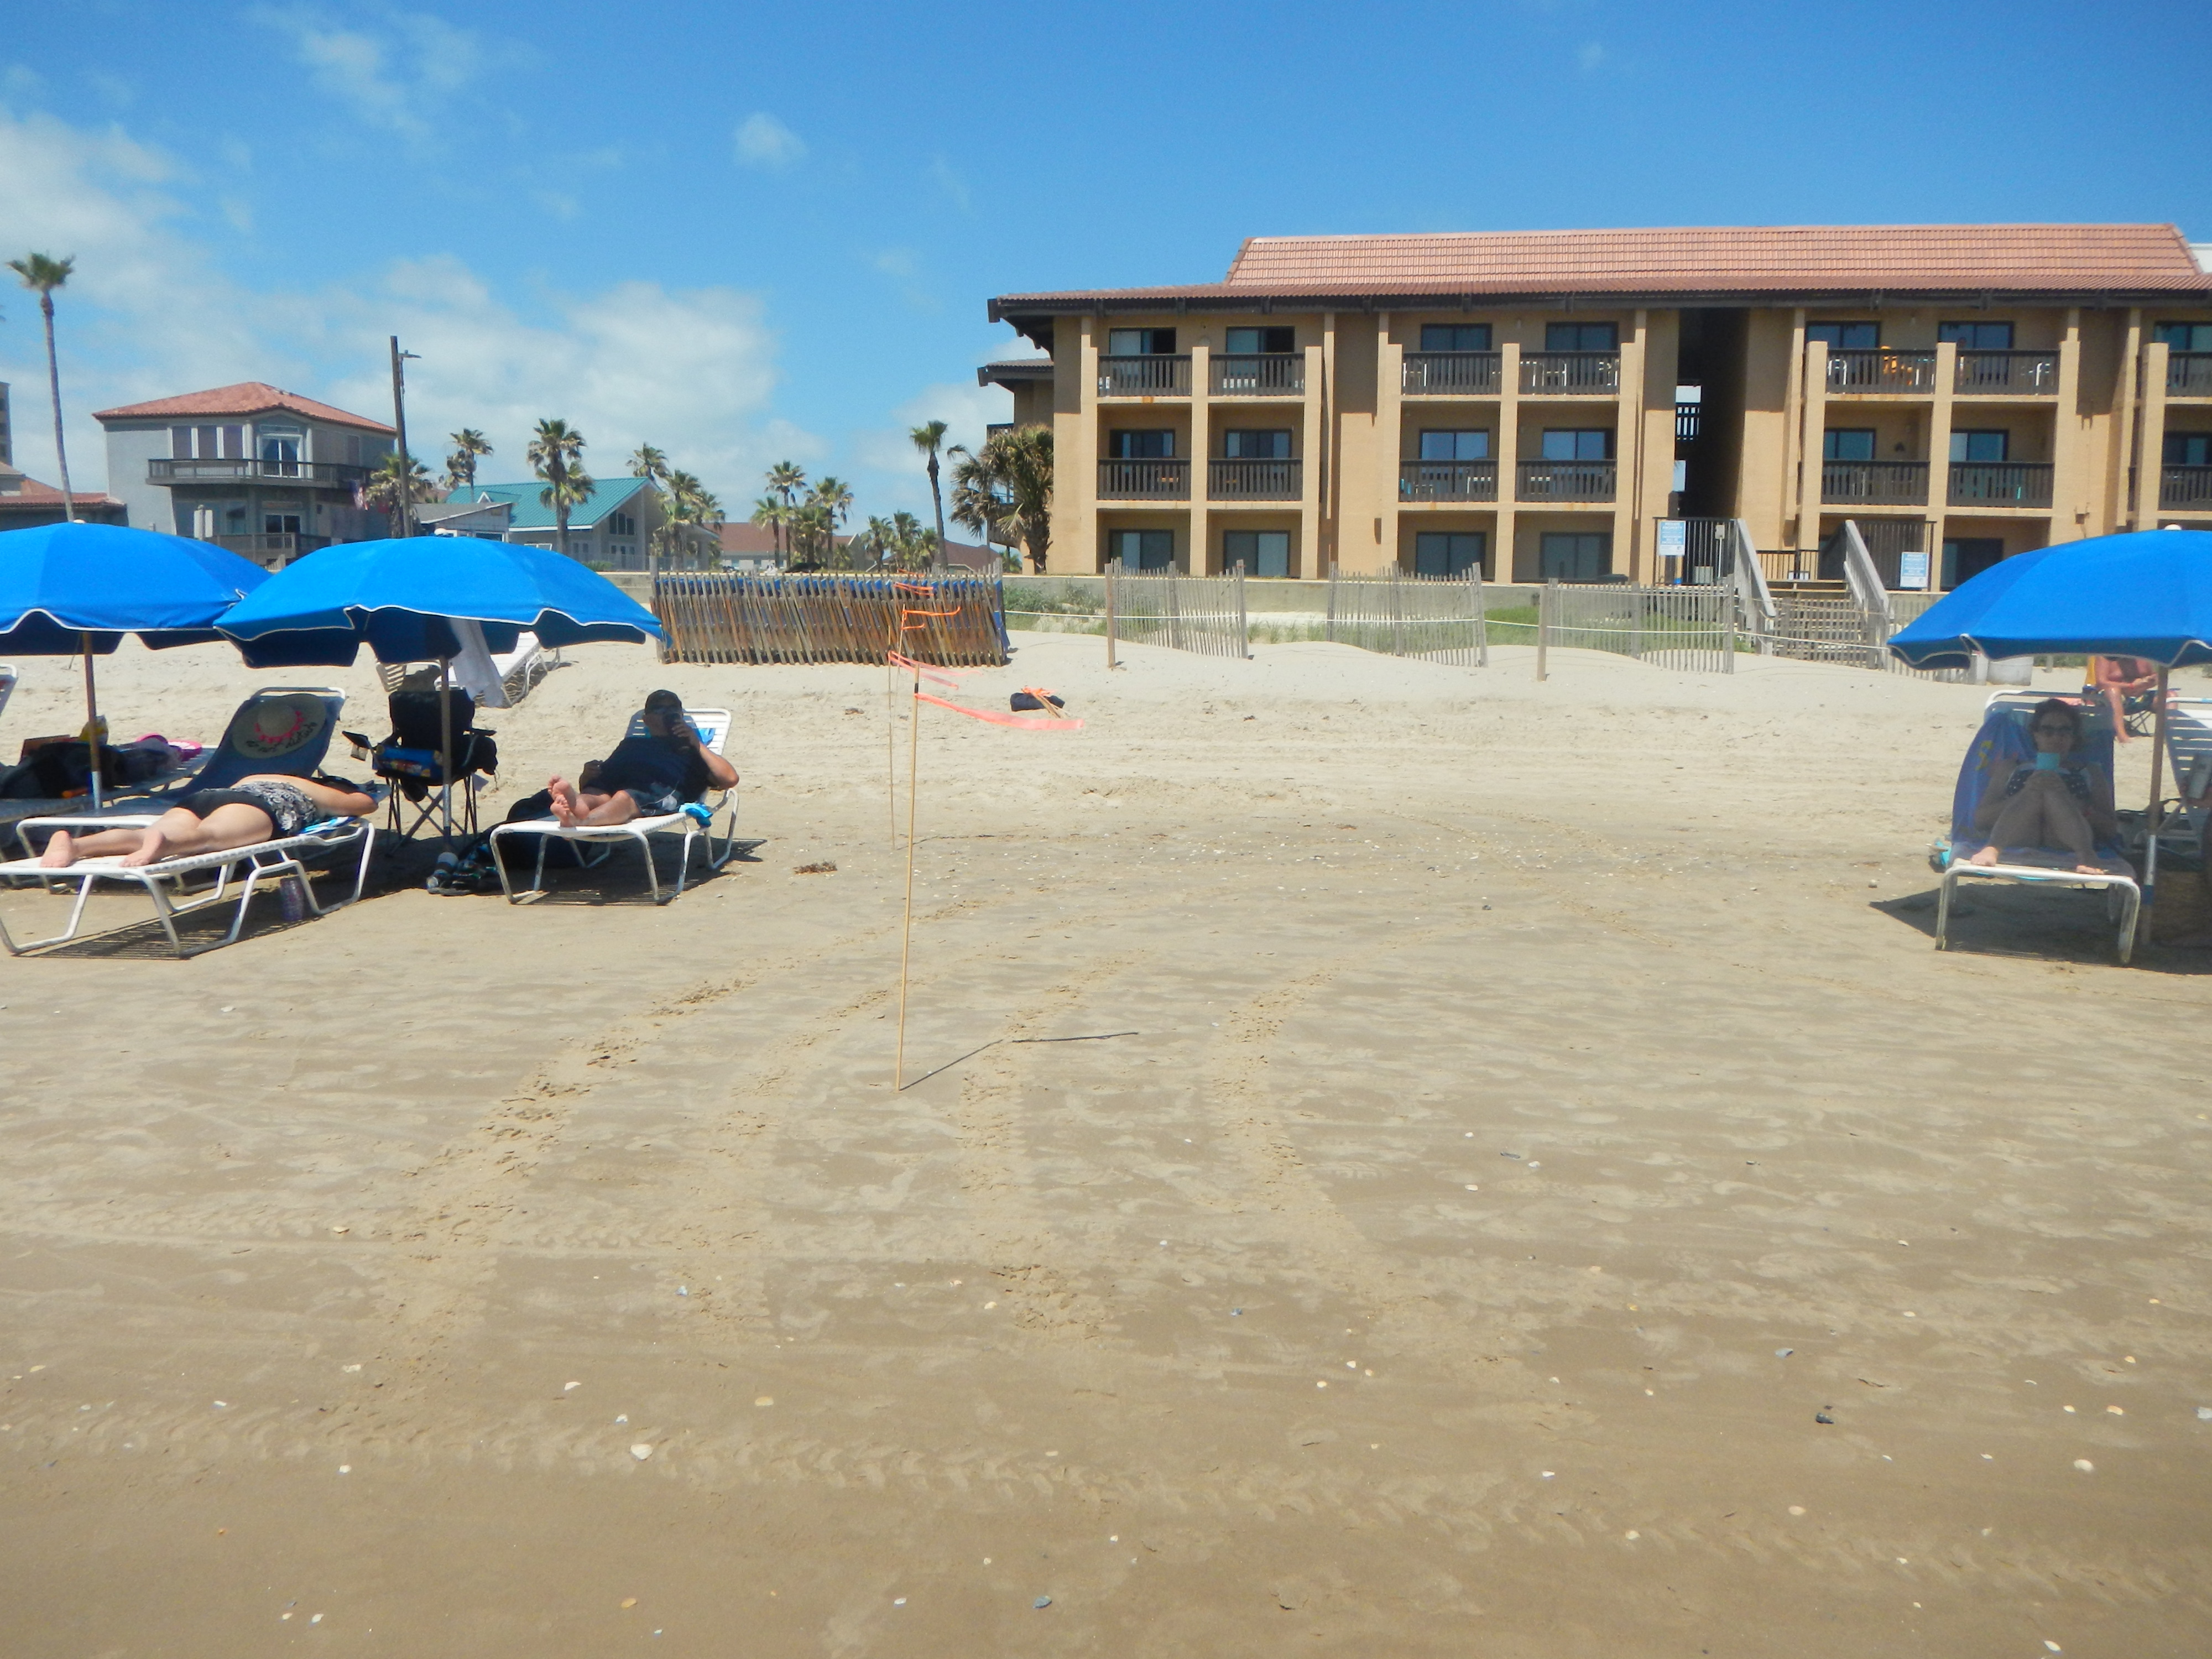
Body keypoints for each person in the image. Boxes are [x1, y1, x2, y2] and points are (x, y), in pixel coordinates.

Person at [35, 774, 375, 869]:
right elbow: (364, 805)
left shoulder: (258, 775)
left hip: (209, 796)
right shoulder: (313, 790)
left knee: (148, 833)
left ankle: (76, 844)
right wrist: (348, 793)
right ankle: (165, 846)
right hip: (259, 807)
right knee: (209, 836)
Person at [545, 689, 737, 828]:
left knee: (625, 797)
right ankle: (576, 805)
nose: (668, 713)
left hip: (661, 791)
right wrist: (588, 775)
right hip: (619, 787)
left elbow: (730, 779)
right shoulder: (631, 744)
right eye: (659, 709)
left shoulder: (688, 747)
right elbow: (602, 781)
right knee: (595, 792)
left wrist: (696, 743)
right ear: (647, 720)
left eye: (674, 708)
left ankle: (582, 822)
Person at [1968, 698, 2117, 875]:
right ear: (2036, 734)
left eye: (2065, 731)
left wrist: (2075, 803)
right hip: (2020, 834)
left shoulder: (2090, 772)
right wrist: (2024, 794)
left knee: (2050, 790)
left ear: (2073, 736)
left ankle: (2085, 853)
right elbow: (1981, 819)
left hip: (2064, 839)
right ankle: (1994, 847)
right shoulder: (2012, 767)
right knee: (2038, 789)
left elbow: (2110, 828)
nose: (2056, 737)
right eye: (2048, 731)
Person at [2087, 654, 2159, 742]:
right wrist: (2131, 686)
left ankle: (2168, 733)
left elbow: (2155, 676)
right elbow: (2101, 683)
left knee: (2169, 695)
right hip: (2109, 700)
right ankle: (2122, 736)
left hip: (2139, 697)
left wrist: (2149, 681)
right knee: (2113, 691)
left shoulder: (2142, 656)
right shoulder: (2106, 656)